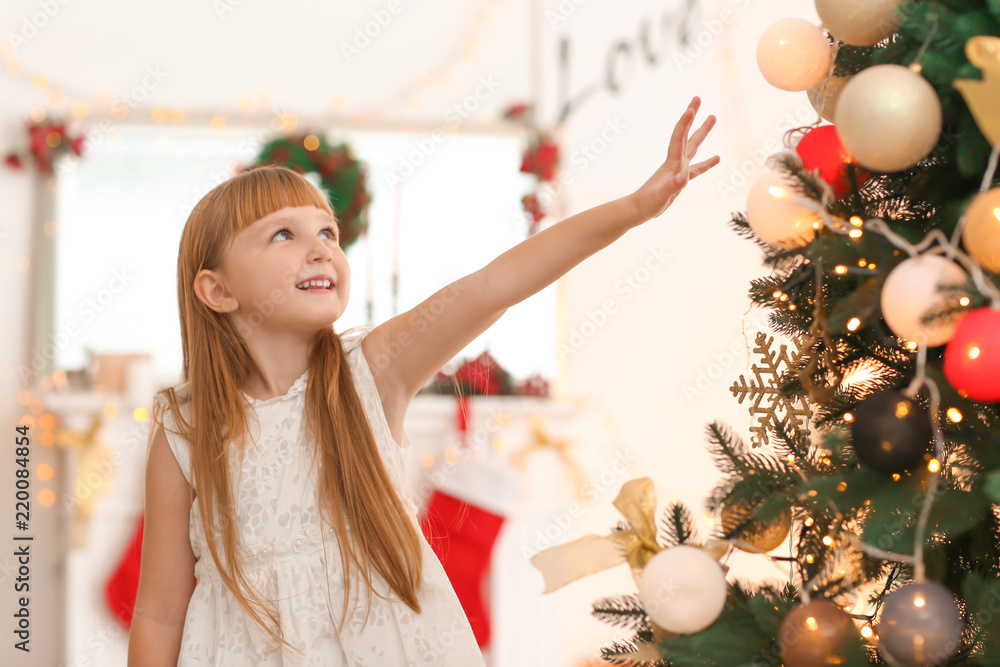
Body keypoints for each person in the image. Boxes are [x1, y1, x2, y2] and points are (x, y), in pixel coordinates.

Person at [126, 96, 719, 666]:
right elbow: (158, 612)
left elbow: (496, 284)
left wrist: (635, 208)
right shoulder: (185, 427)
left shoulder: (370, 372)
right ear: (217, 290)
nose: (320, 250)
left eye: (327, 232)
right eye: (284, 234)